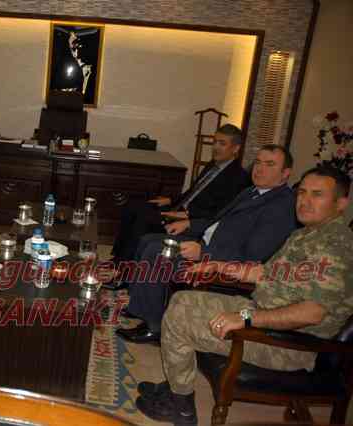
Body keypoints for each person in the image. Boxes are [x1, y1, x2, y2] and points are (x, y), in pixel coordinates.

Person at [136, 166, 353, 426]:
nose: (305, 201)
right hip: (264, 312)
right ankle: (177, 384)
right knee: (181, 300)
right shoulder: (308, 234)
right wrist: (218, 266)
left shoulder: (335, 246)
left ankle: (180, 407)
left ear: (341, 203)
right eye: (302, 192)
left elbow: (312, 313)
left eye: (317, 195)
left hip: (290, 344)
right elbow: (264, 273)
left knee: (180, 321)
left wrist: (245, 317)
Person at [116, 144, 297, 344]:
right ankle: (140, 305)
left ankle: (154, 327)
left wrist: (204, 252)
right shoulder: (252, 191)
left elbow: (253, 256)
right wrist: (189, 224)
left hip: (220, 261)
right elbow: (216, 221)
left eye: (270, 164)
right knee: (148, 239)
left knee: (157, 251)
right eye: (258, 162)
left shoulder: (281, 206)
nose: (260, 169)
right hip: (205, 243)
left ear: (285, 173)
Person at [108, 124, 250, 288]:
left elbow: (218, 212)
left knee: (144, 219)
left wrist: (186, 215)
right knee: (133, 205)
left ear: (235, 148)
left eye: (222, 143)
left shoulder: (238, 178)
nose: (216, 147)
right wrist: (170, 200)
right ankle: (118, 258)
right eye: (215, 142)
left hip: (192, 219)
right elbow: (193, 192)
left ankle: (123, 273)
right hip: (179, 208)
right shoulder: (212, 165)